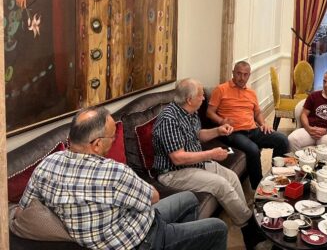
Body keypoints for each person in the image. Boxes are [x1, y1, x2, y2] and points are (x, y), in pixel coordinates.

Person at [15, 106, 227, 250]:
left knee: (189, 198)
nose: (114, 139)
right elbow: (153, 196)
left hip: (127, 223)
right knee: (219, 227)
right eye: (112, 136)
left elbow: (23, 209)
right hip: (143, 239)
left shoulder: (47, 163)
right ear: (97, 144)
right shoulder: (113, 172)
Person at [152, 78, 263, 250]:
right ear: (189, 99)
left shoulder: (190, 111)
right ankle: (250, 230)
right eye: (201, 95)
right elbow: (178, 158)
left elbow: (198, 135)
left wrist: (218, 130)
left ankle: (247, 224)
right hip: (173, 172)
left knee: (232, 177)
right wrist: (210, 154)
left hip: (194, 163)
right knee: (221, 185)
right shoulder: (169, 119)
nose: (204, 98)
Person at [207, 61, 289, 189]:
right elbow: (209, 112)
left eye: (245, 75)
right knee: (253, 149)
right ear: (233, 73)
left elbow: (257, 113)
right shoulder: (221, 89)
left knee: (282, 139)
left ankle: (276, 176)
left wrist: (263, 124)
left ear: (249, 75)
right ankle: (259, 187)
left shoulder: (251, 93)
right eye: (239, 74)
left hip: (253, 129)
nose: (242, 78)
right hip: (233, 132)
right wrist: (221, 121)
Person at [288, 70, 327, 152]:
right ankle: (298, 159)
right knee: (291, 139)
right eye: (324, 81)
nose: (325, 85)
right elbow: (303, 114)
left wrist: (326, 131)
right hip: (310, 130)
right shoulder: (313, 96)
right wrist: (308, 128)